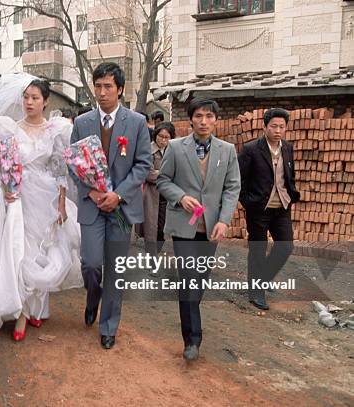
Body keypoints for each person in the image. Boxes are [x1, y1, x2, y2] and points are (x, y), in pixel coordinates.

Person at [0, 73, 82, 341]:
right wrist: (6, 188)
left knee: (44, 250)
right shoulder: (8, 129)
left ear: (45, 101)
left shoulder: (57, 129)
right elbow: (3, 166)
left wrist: (61, 202)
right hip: (19, 197)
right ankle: (21, 311)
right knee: (20, 253)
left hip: (46, 196)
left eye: (35, 98)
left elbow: (60, 169)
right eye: (26, 97)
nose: (29, 102)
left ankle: (38, 309)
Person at [70, 62, 153, 350]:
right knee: (91, 264)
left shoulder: (137, 123)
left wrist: (118, 194)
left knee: (115, 269)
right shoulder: (82, 123)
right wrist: (92, 193)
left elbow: (143, 165)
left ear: (120, 89)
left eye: (107, 87)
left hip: (121, 208)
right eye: (98, 86)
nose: (102, 92)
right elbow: (73, 164)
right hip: (92, 206)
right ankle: (93, 297)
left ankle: (108, 326)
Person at [157, 97, 240, 361]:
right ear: (190, 119)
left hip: (211, 227)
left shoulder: (227, 151)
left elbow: (232, 187)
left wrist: (224, 220)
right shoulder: (175, 147)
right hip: (184, 225)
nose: (204, 122)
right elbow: (162, 180)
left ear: (215, 120)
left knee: (200, 281)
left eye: (209, 116)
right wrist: (180, 197)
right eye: (199, 116)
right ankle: (192, 339)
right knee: (190, 277)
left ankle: (191, 314)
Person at [238, 108, 300, 310]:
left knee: (286, 245)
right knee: (258, 250)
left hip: (281, 206)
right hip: (259, 208)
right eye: (274, 126)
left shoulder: (287, 148)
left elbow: (288, 175)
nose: (278, 130)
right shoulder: (251, 149)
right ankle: (256, 292)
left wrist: (291, 195)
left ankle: (262, 279)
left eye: (282, 126)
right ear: (264, 127)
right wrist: (248, 202)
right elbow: (240, 180)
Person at [139, 122, 176, 255]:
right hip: (151, 194)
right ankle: (152, 258)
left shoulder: (173, 150)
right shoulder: (148, 150)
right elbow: (147, 173)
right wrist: (167, 175)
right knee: (150, 229)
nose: (163, 140)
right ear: (155, 135)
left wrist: (160, 173)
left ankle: (156, 252)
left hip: (167, 196)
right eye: (161, 136)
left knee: (162, 229)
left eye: (167, 137)